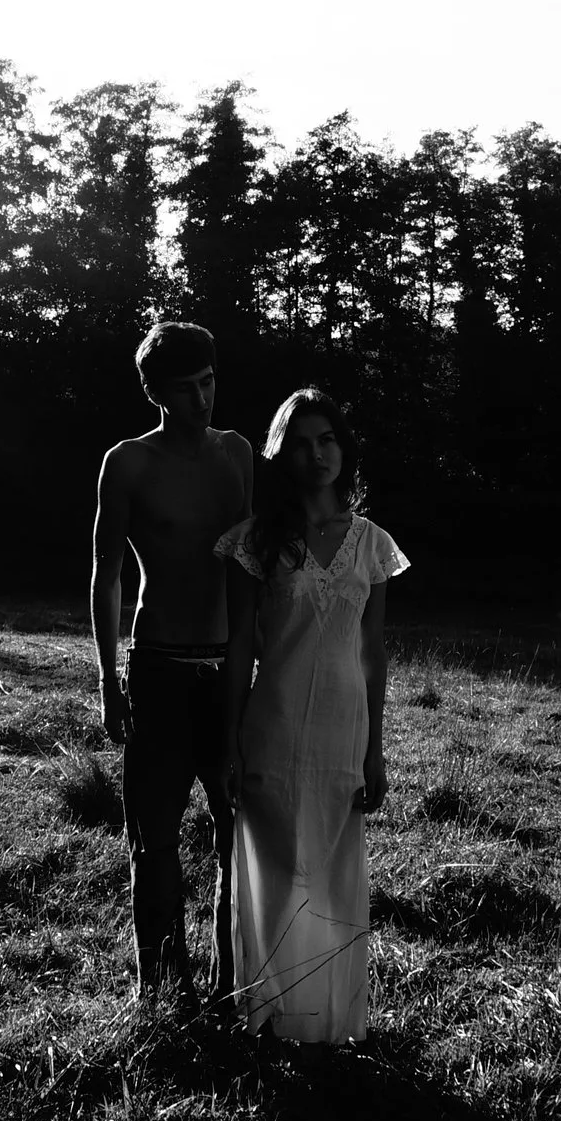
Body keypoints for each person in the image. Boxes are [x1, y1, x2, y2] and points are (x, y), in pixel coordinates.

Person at [217, 388, 408, 1043]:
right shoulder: (252, 543)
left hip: (342, 725)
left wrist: (375, 748)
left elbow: (372, 650)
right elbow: (239, 644)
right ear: (282, 456)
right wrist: (231, 739)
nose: (316, 453)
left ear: (344, 448)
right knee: (272, 866)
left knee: (331, 867)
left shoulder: (372, 544)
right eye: (300, 443)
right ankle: (266, 1016)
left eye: (326, 439)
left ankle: (328, 1022)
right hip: (270, 721)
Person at [91, 321, 255, 998]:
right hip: (157, 665)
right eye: (185, 389)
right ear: (155, 393)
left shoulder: (238, 453)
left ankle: (234, 983)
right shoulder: (127, 461)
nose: (202, 399)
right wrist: (108, 678)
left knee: (237, 830)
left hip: (229, 668)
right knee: (153, 837)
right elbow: (105, 573)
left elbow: (259, 562)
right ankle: (161, 988)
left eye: (209, 382)